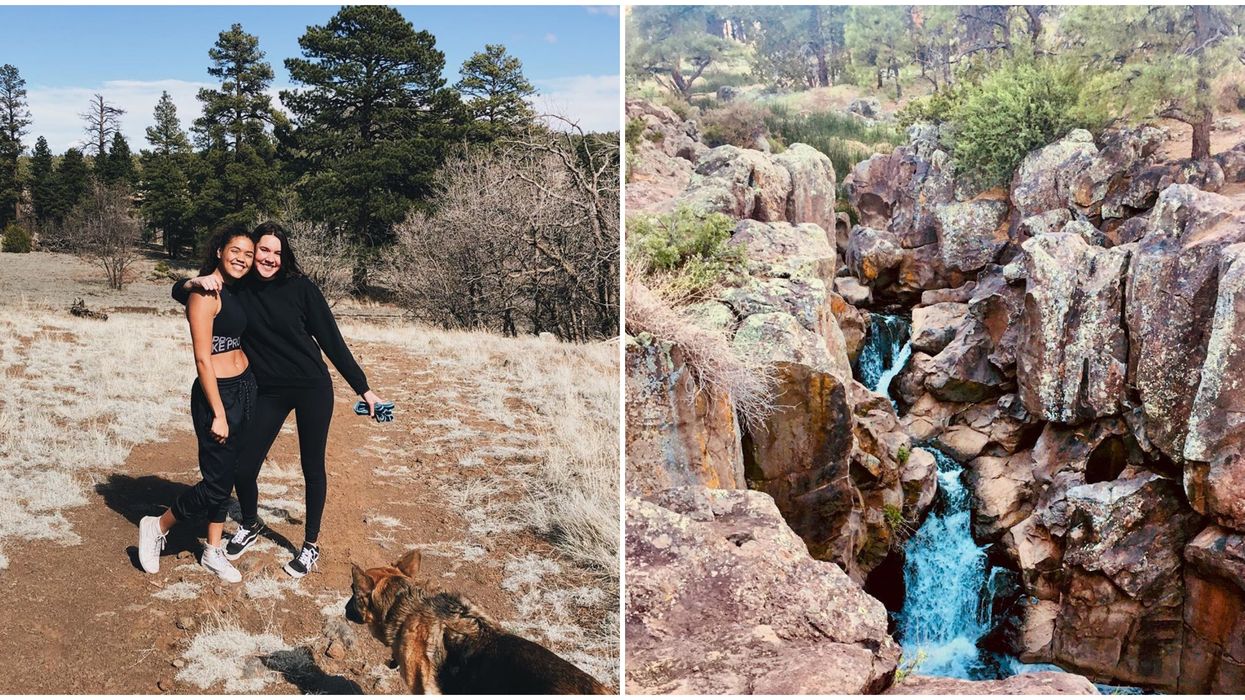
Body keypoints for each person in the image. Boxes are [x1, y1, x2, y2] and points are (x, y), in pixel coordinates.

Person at [173, 221, 386, 578]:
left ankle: (310, 546)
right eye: (262, 251)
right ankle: (251, 523)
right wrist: (190, 282)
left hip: (311, 388)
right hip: (267, 389)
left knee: (311, 466)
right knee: (243, 465)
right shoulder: (240, 288)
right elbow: (185, 295)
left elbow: (333, 342)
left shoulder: (301, 288)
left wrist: (364, 389)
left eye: (276, 252)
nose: (269, 258)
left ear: (284, 255)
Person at [139, 227, 257, 583]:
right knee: (216, 484)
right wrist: (219, 412)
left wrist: (183, 284)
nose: (242, 258)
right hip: (217, 395)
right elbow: (203, 359)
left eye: (248, 254)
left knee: (227, 475)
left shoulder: (238, 289)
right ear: (219, 250)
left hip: (245, 388)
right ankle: (157, 525)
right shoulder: (206, 294)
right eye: (235, 250)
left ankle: (212, 550)